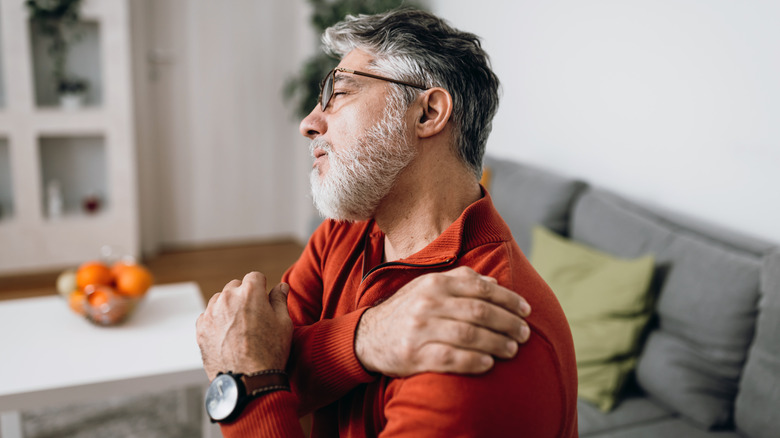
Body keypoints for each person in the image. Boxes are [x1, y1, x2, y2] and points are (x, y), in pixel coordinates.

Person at [196, 8, 578, 437]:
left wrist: (244, 379)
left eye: (339, 93)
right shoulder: (342, 234)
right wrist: (363, 339)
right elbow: (275, 364)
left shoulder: (471, 330)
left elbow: (260, 365)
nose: (309, 123)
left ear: (427, 113)